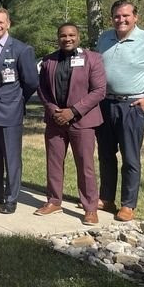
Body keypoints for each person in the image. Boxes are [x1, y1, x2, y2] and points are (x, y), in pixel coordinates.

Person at [96, 0, 144, 222]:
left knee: (130, 158)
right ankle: (106, 198)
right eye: (117, 16)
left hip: (132, 106)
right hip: (105, 104)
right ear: (112, 19)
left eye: (126, 15)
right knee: (106, 155)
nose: (121, 20)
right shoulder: (104, 38)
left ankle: (128, 205)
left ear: (135, 17)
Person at [36, 23, 106, 225]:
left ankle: (90, 208)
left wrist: (73, 111)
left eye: (71, 35)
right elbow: (41, 89)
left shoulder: (93, 58)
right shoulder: (48, 60)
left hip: (82, 121)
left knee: (85, 165)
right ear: (58, 38)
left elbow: (99, 90)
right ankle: (54, 201)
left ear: (79, 36)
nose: (67, 38)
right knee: (54, 162)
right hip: (55, 119)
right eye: (63, 35)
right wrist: (52, 109)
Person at [0, 7, 39, 214]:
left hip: (10, 110)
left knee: (11, 157)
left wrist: (18, 100)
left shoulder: (21, 49)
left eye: (1, 22)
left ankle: (11, 198)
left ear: (8, 24)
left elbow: (31, 82)